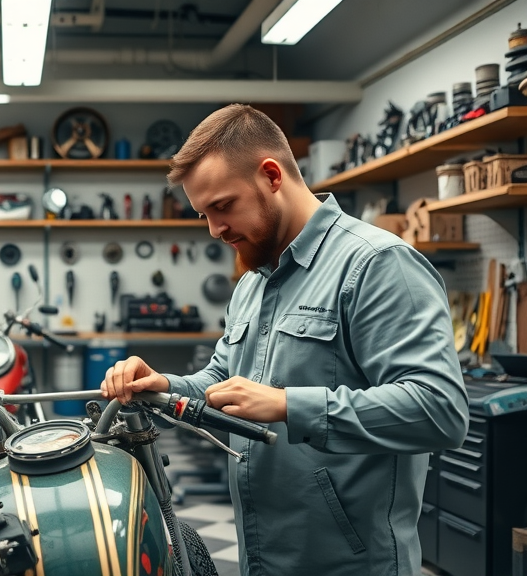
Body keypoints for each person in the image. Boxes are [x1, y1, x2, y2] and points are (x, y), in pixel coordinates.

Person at [102, 104, 468, 576]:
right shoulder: (254, 281)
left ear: (272, 176)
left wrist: (288, 404)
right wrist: (163, 386)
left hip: (350, 564)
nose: (214, 229)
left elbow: (439, 409)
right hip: (265, 556)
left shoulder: (377, 265)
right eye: (203, 214)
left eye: (222, 206)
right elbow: (223, 381)